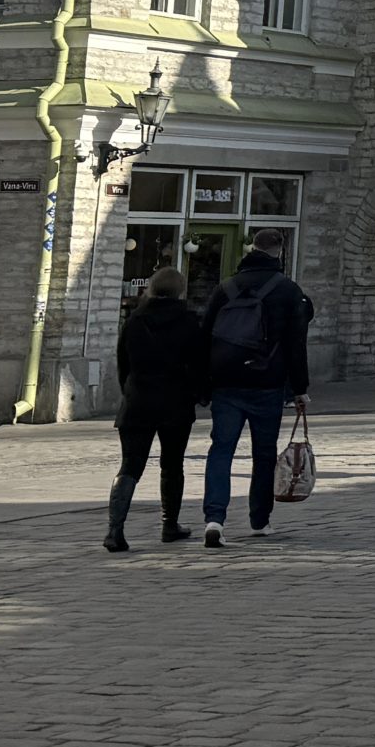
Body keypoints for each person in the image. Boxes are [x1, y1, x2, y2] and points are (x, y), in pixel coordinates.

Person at [197, 226, 314, 547]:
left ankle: (214, 518)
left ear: (252, 248)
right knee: (264, 454)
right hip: (267, 382)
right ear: (280, 251)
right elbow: (296, 344)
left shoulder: (226, 288)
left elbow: (205, 337)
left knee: (221, 450)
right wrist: (299, 388)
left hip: (226, 383)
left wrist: (204, 384)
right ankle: (259, 520)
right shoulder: (288, 290)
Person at [106, 266, 202, 551]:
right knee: (172, 464)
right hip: (175, 401)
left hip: (138, 400)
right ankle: (169, 524)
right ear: (180, 290)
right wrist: (196, 393)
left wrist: (130, 390)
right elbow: (198, 364)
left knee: (130, 466)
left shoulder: (135, 320)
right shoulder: (188, 321)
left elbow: (123, 362)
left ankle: (115, 529)